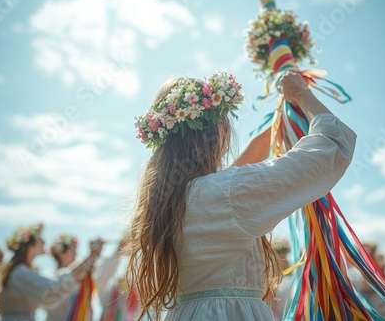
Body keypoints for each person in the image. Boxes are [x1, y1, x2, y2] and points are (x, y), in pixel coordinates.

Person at [127, 69, 356, 320]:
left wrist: (280, 121)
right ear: (218, 132)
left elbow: (236, 172)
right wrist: (301, 93)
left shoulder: (171, 200)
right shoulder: (225, 193)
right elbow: (333, 146)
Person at [0, 223, 103, 321]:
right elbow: (53, 287)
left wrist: (90, 258)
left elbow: (55, 288)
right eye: (39, 237)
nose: (44, 241)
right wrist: (91, 255)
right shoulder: (20, 273)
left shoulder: (20, 272)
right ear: (30, 245)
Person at [44, 234, 120, 321]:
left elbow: (104, 271)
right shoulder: (52, 281)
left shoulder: (83, 280)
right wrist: (92, 254)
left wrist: (120, 247)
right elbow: (69, 278)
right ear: (61, 253)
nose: (76, 254)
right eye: (73, 250)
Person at [270, 237, 293, 320]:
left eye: (285, 257)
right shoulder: (262, 282)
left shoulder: (290, 282)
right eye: (281, 257)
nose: (285, 261)